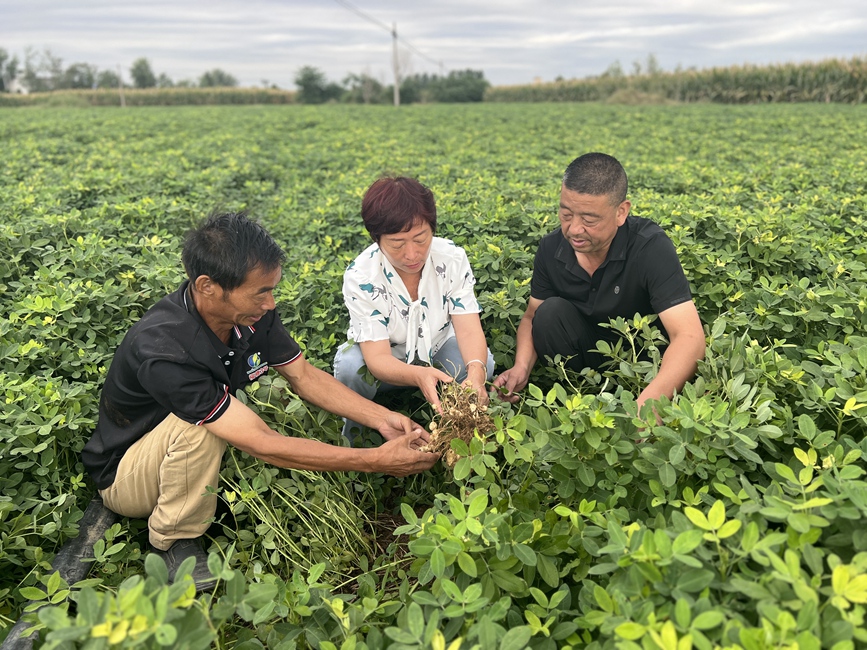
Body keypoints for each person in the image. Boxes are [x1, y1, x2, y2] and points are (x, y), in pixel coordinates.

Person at [82, 212, 438, 589]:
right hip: (126, 474)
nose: (270, 304)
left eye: (272, 289)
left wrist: (381, 418)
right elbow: (262, 444)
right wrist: (373, 461)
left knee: (238, 412)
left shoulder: (249, 313)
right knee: (203, 429)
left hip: (176, 446)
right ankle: (174, 539)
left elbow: (302, 375)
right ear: (208, 286)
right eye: (260, 292)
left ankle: (195, 491)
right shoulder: (165, 350)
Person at [493, 153, 705, 414]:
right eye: (566, 214)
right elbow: (531, 316)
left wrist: (652, 400)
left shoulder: (649, 246)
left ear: (621, 212)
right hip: (581, 357)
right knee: (547, 313)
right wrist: (521, 368)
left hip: (641, 361)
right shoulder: (551, 248)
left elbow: (690, 336)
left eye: (589, 220)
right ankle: (582, 398)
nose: (574, 229)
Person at [334, 176, 494, 442]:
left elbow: (467, 329)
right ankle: (357, 437)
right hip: (386, 363)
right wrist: (419, 375)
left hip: (437, 350)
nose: (412, 254)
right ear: (377, 239)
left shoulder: (452, 259)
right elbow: (378, 360)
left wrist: (476, 374)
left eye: (420, 239)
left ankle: (463, 431)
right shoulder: (362, 276)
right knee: (352, 367)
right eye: (397, 244)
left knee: (482, 361)